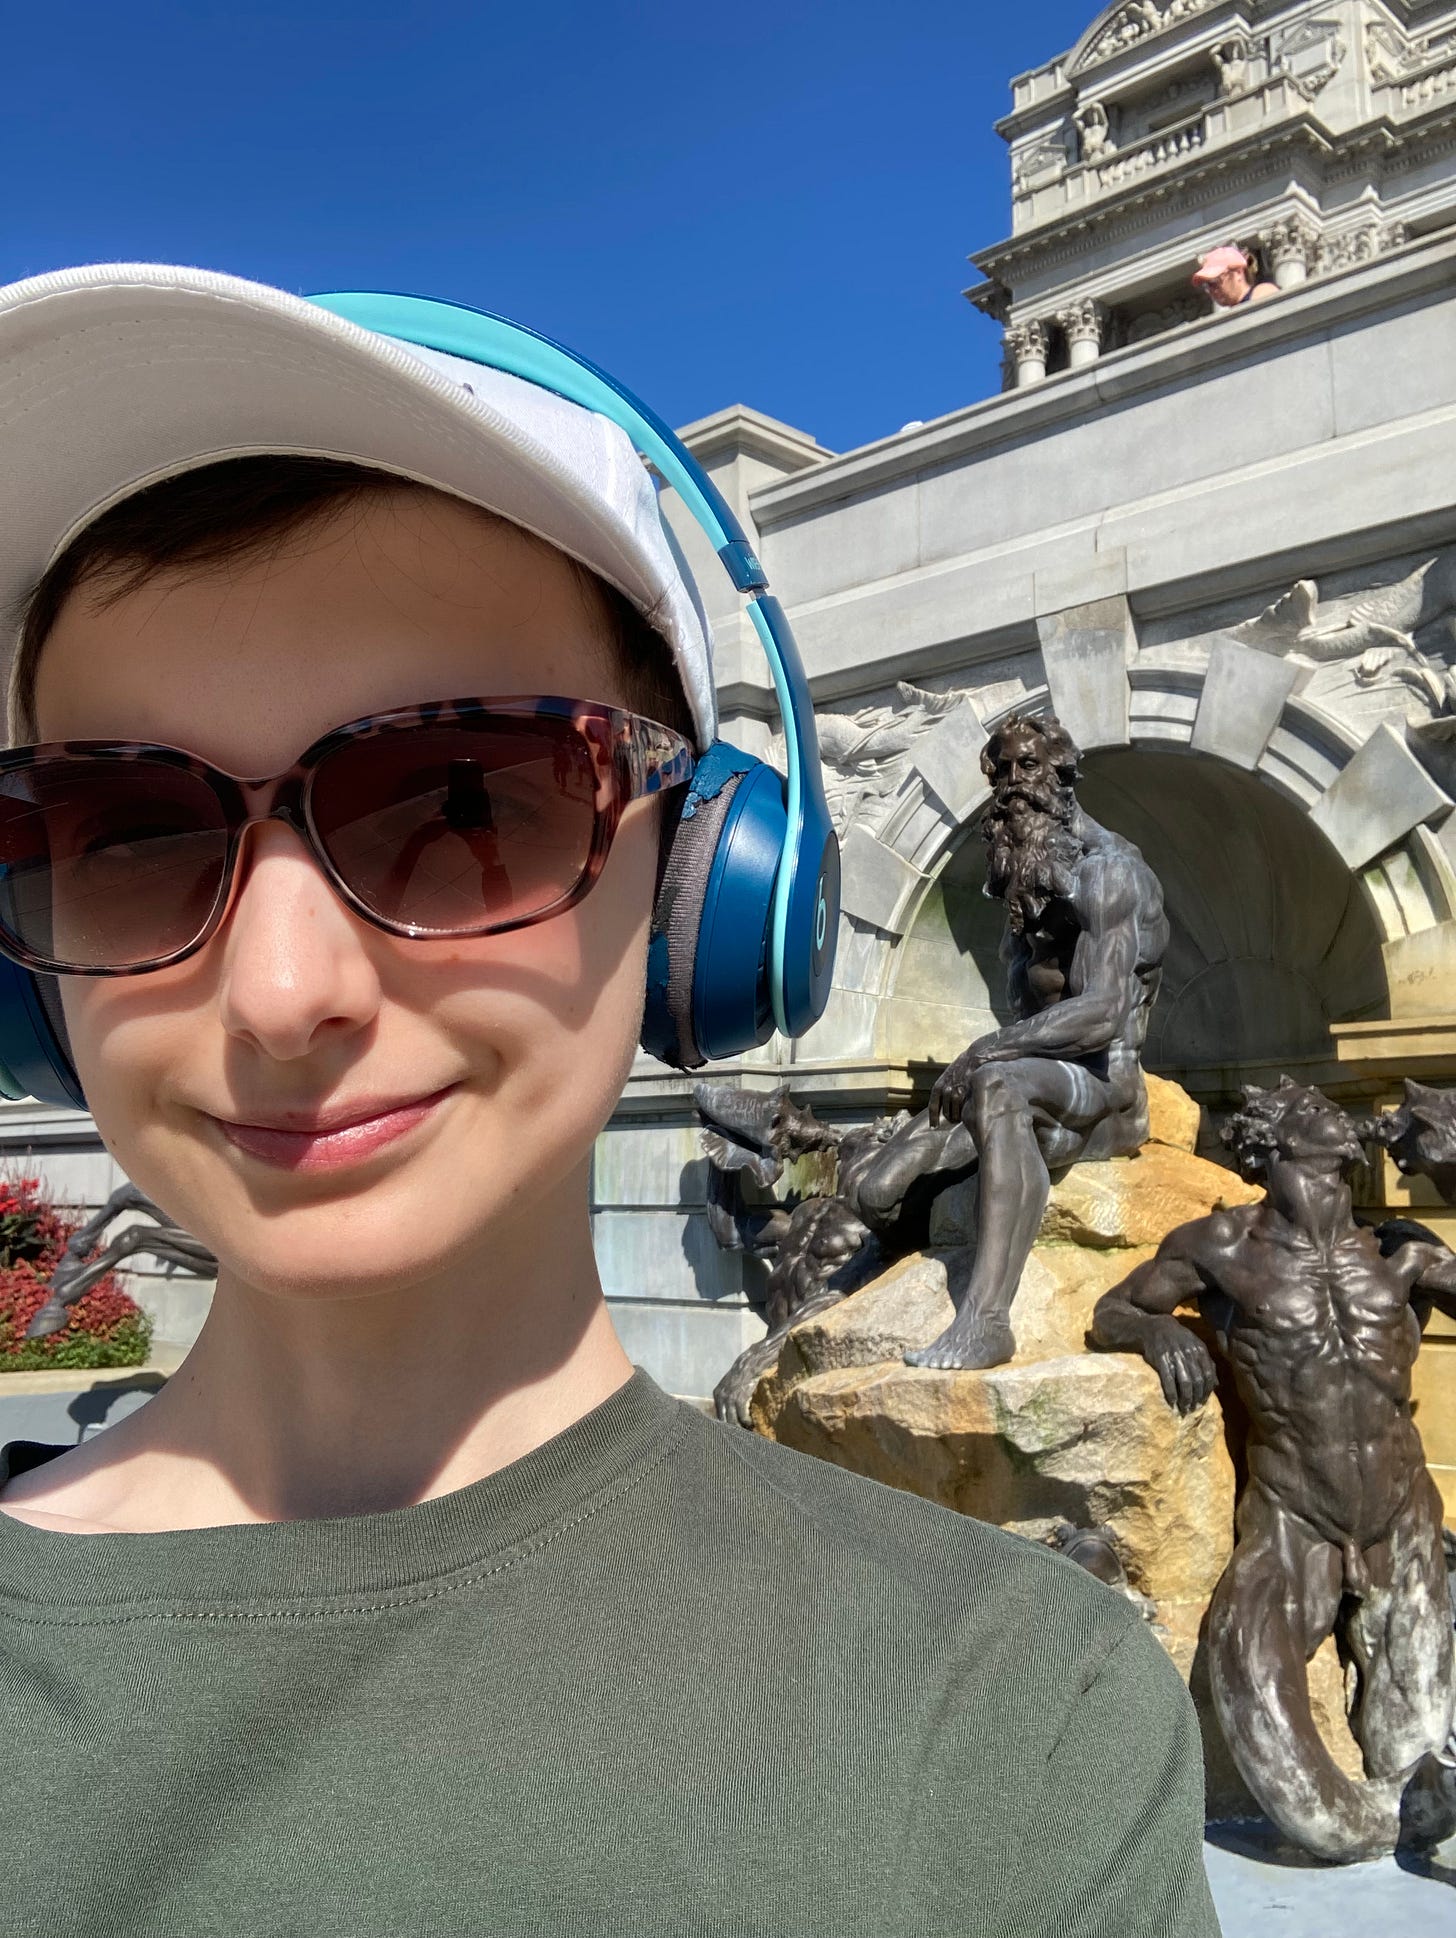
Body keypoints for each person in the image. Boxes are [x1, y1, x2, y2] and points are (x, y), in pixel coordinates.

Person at [0, 263, 1218, 1937]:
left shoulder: (1012, 1722)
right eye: (125, 828)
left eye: (459, 795)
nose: (283, 991)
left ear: (708, 891)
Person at [1191, 243, 1280, 310]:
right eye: (1207, 285)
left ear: (1238, 273)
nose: (1211, 290)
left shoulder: (1262, 293)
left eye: (1214, 282)